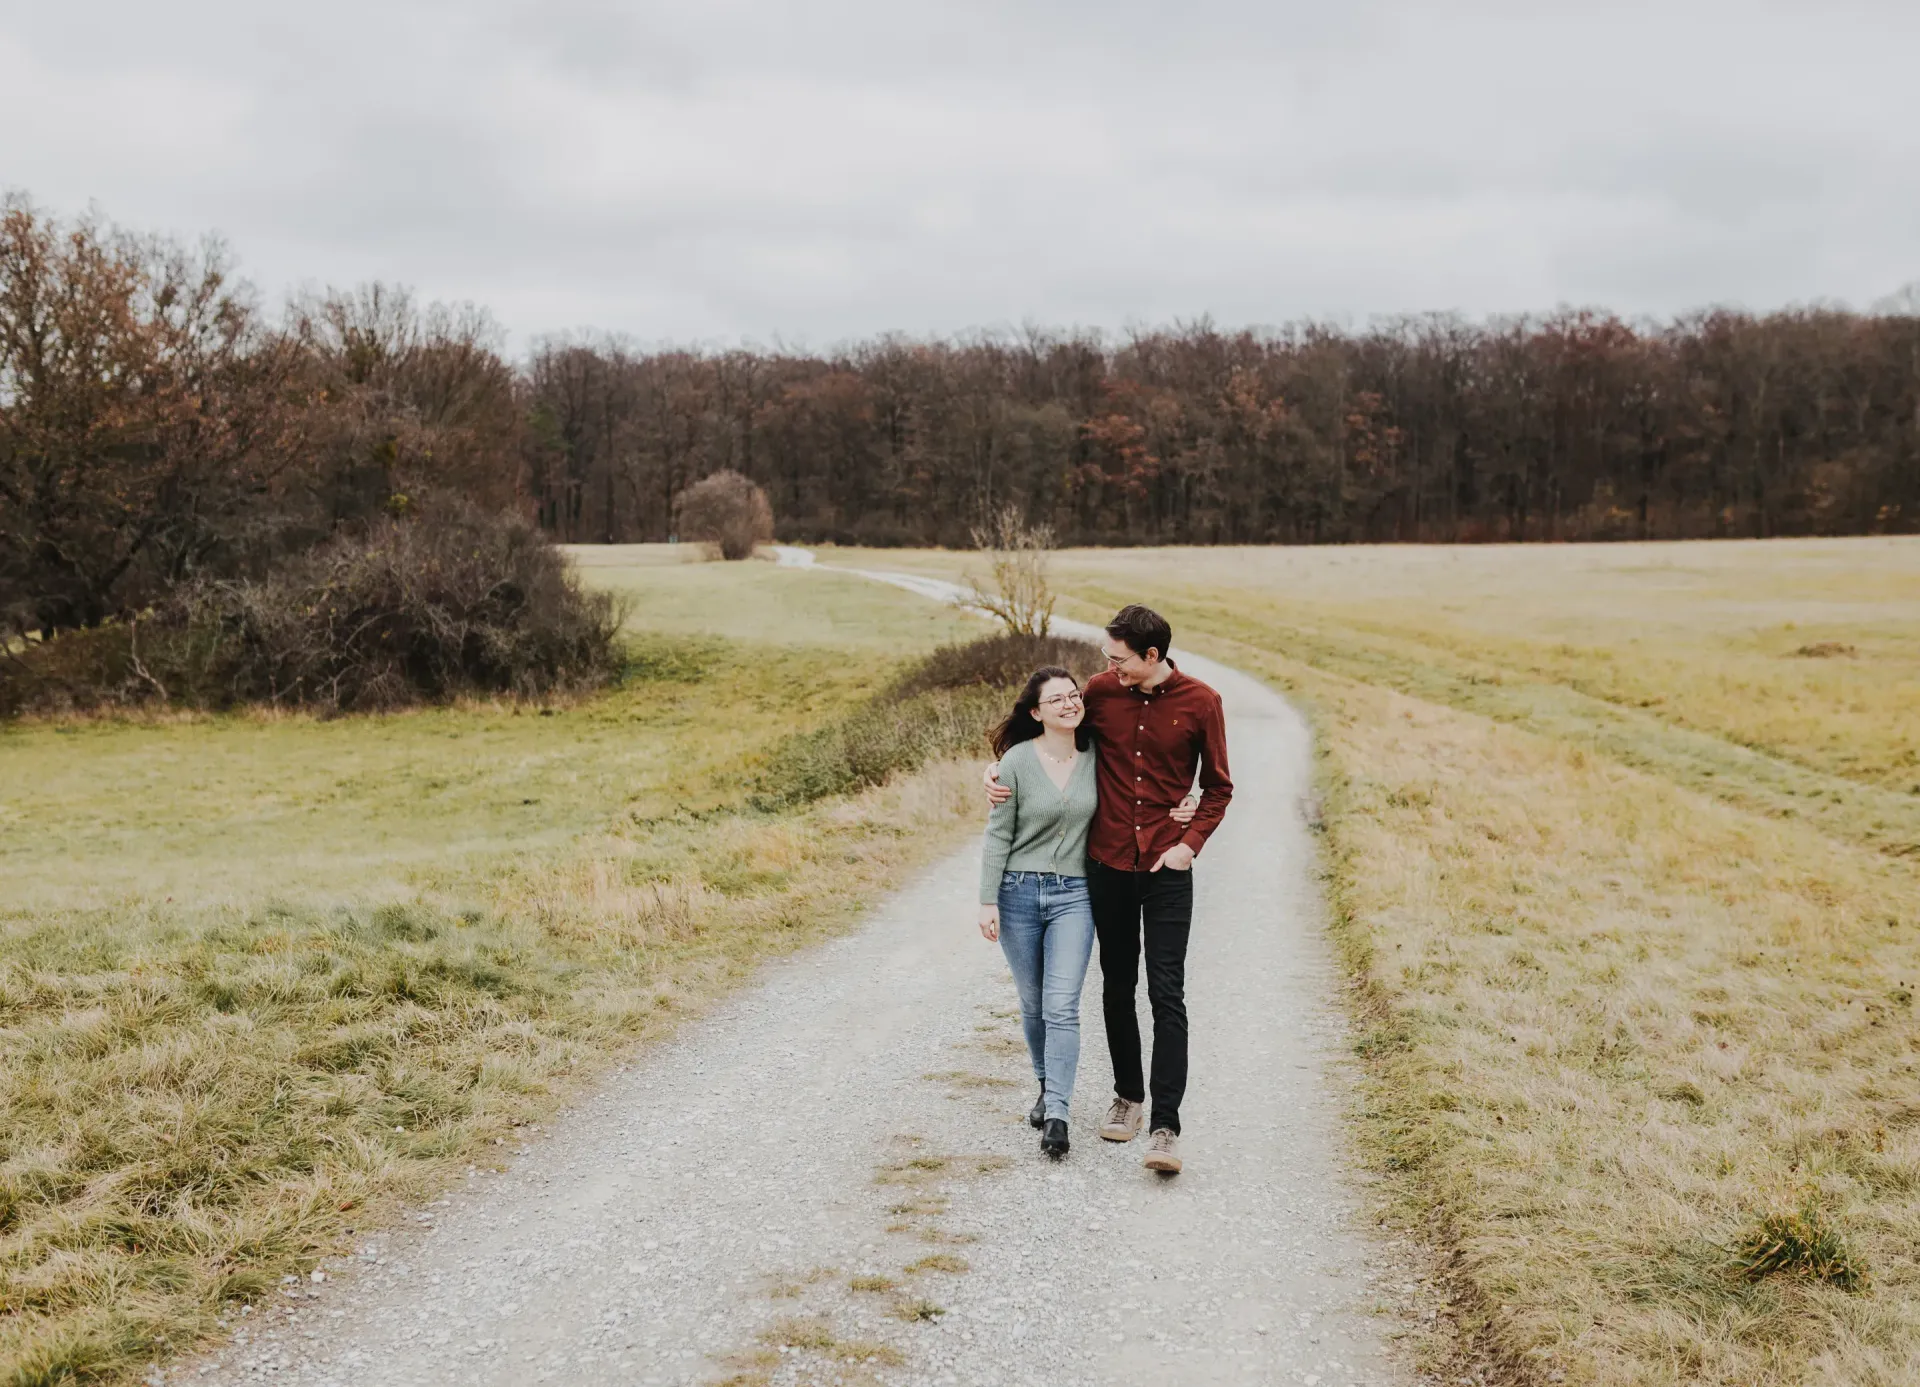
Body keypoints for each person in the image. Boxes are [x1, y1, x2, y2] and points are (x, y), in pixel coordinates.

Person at [985, 605, 1231, 1174]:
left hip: (1169, 869)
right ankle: (1129, 1096)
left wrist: (1189, 843)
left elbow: (1218, 788)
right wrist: (995, 771)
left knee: (1167, 992)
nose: (1107, 667)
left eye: (1118, 658)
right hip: (1109, 864)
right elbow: (1044, 730)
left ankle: (1166, 1126)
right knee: (1117, 984)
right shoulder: (1100, 691)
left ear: (1152, 656)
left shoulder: (1202, 702)